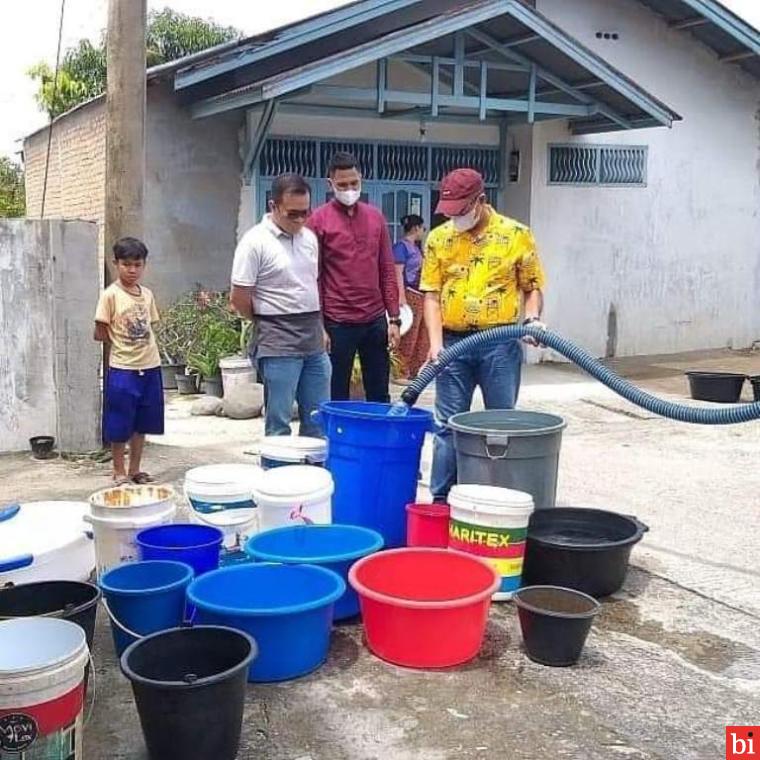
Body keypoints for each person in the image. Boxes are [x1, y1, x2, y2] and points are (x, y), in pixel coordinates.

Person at [419, 168, 547, 502]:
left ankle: (498, 500)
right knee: (447, 425)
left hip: (500, 344)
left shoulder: (516, 234)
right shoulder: (439, 239)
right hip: (451, 344)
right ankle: (441, 502)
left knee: (501, 426)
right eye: (449, 212)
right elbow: (431, 295)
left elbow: (532, 287)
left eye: (461, 210)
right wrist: (434, 345)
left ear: (480, 200)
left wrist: (532, 319)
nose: (455, 218)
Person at [230, 173, 330, 437]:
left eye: (305, 213)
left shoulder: (309, 239)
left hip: (312, 337)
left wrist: (320, 328)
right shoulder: (255, 242)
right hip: (276, 338)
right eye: (292, 214)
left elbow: (310, 285)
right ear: (273, 206)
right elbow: (239, 297)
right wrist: (264, 320)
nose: (299, 220)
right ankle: (276, 472)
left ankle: (314, 473)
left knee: (318, 416)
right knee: (279, 419)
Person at [308, 152, 401, 402]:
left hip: (374, 319)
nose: (349, 189)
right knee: (335, 392)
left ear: (361, 179)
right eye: (342, 185)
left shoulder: (375, 217)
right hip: (337, 321)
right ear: (330, 184)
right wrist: (319, 325)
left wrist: (394, 319)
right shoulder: (318, 221)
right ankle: (337, 440)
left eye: (354, 183)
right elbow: (313, 277)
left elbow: (386, 269)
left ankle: (378, 440)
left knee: (379, 392)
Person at [94, 237, 164, 485]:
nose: (132, 270)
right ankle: (118, 470)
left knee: (142, 422)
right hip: (123, 369)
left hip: (150, 365)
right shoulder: (110, 295)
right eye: (126, 264)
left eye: (137, 264)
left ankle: (135, 469)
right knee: (119, 422)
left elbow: (150, 326)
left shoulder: (147, 295)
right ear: (116, 264)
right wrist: (120, 346)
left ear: (144, 265)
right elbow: (100, 330)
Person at [393, 213, 429, 380]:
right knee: (409, 334)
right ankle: (400, 371)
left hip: (421, 295)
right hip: (409, 294)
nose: (423, 231)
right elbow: (398, 273)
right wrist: (401, 296)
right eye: (422, 228)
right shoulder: (401, 247)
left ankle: (416, 371)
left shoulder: (416, 248)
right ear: (416, 228)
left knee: (422, 335)